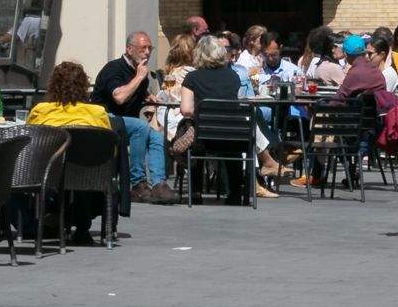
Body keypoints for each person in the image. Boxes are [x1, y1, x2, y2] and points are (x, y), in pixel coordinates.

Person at [179, 35, 278, 200]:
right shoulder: (233, 77)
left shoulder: (192, 77)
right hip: (233, 136)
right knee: (232, 142)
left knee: (191, 137)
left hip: (204, 138)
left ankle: (195, 191)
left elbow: (186, 110)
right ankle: (235, 192)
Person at [92, 31, 172, 204]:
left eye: (150, 48)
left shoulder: (139, 73)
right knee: (140, 126)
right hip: (104, 121)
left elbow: (137, 91)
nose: (148, 52)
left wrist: (148, 95)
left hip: (127, 124)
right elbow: (119, 97)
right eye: (143, 48)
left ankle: (159, 183)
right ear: (129, 49)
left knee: (156, 135)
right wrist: (140, 77)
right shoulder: (113, 68)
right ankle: (137, 183)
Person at [27, 62, 114, 129]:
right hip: (88, 152)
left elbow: (28, 141)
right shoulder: (98, 113)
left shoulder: (40, 111)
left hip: (53, 152)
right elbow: (110, 145)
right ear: (84, 86)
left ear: (53, 86)